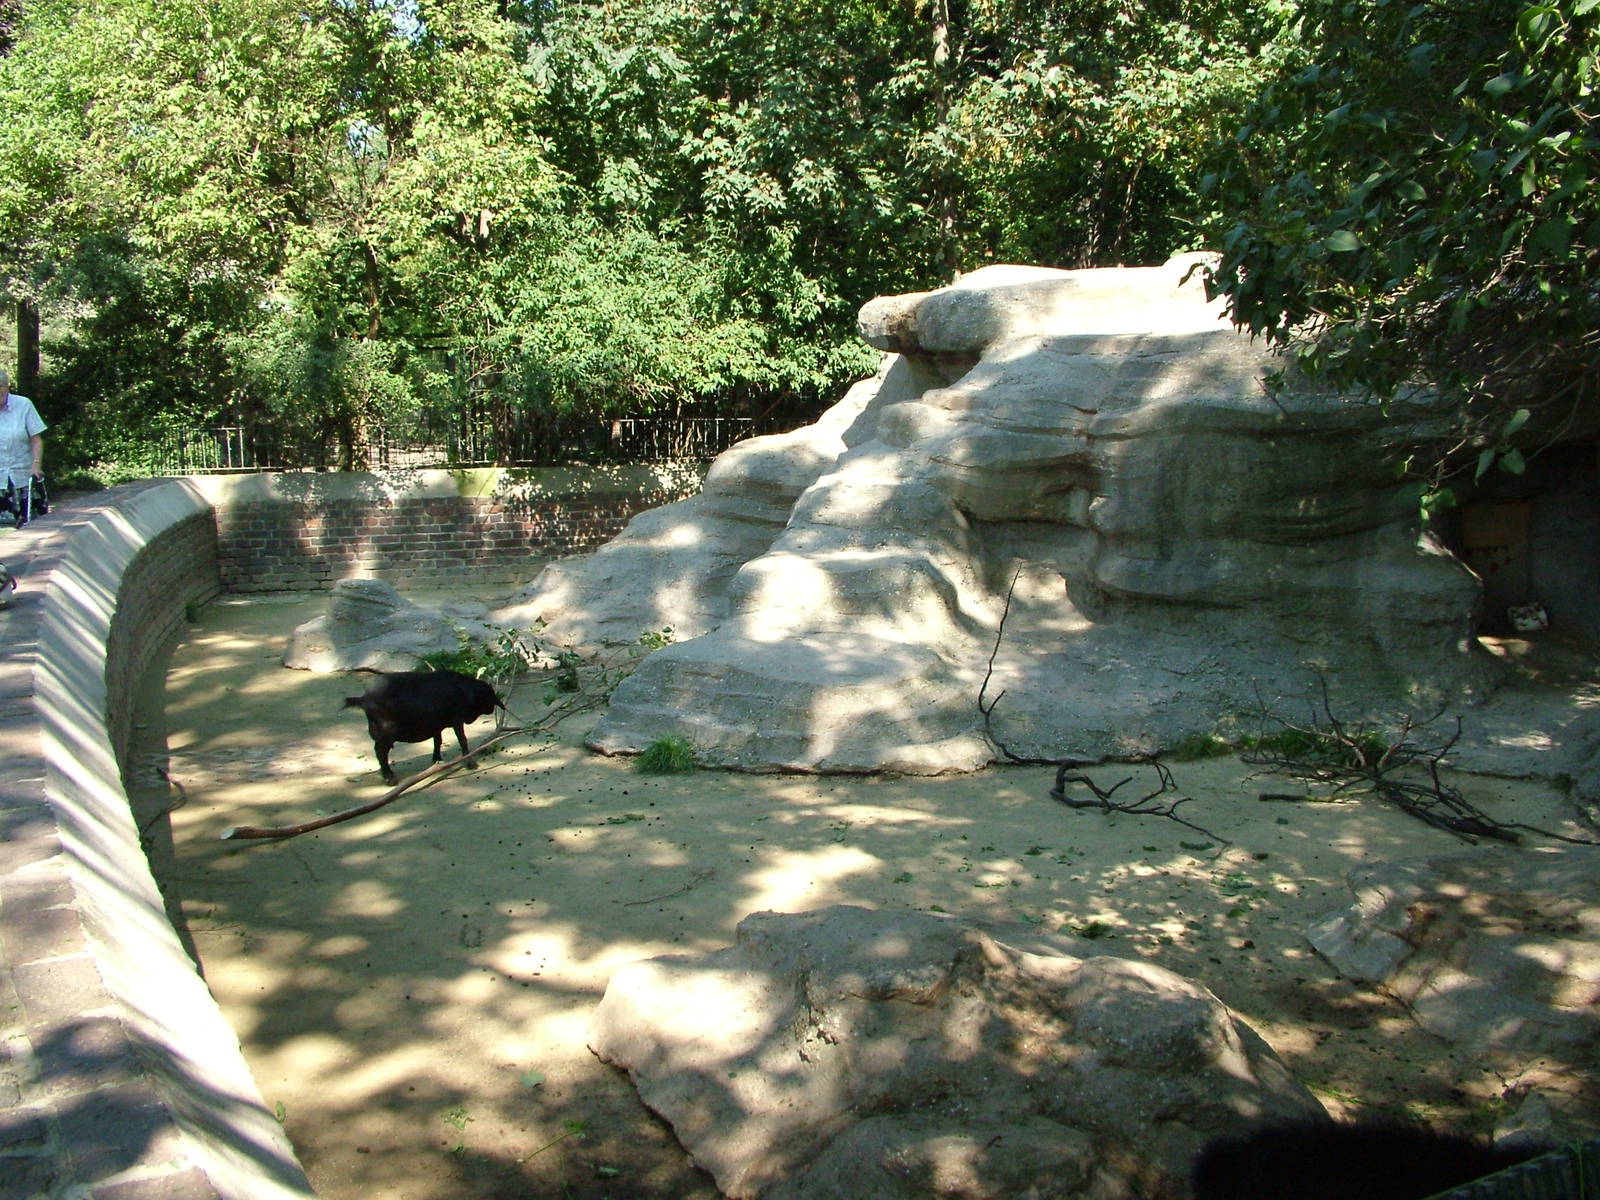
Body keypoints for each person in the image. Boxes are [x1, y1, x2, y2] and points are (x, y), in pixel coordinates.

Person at [0, 369, 47, 528]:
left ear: (7, 387)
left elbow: (36, 440)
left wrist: (36, 464)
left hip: (22, 476)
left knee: (31, 527)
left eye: (0, 386)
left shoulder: (23, 405)